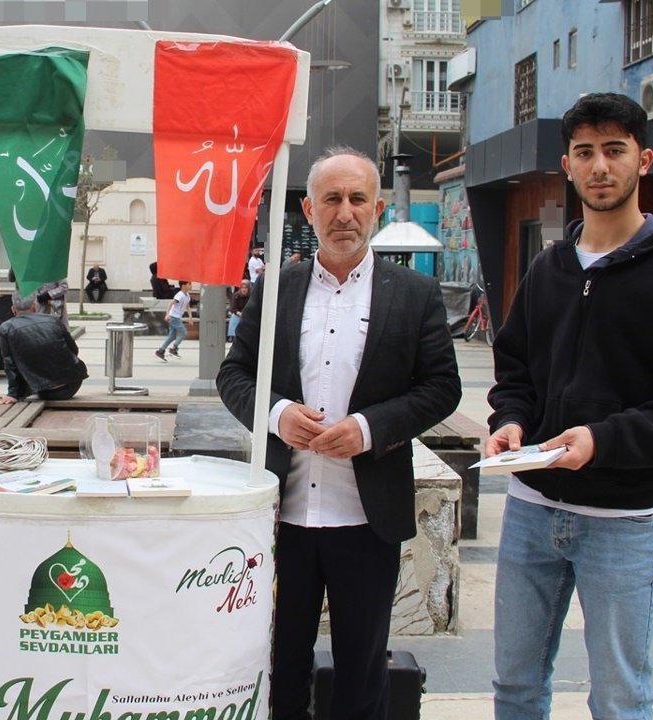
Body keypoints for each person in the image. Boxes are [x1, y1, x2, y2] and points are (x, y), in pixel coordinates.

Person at [487, 93, 653, 720]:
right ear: (566, 165)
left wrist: (602, 440)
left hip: (625, 520)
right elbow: (515, 369)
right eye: (585, 152)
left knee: (620, 699)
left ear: (643, 160)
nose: (600, 166)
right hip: (531, 509)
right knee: (514, 687)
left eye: (615, 150)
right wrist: (510, 421)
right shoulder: (548, 269)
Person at [217, 147, 460, 720]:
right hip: (283, 519)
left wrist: (371, 429)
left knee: (362, 674)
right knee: (279, 667)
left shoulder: (415, 294)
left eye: (357, 199)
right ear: (309, 209)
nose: (344, 212)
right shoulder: (276, 288)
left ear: (377, 208)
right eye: (331, 199)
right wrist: (277, 414)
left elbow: (442, 388)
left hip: (366, 521)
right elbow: (234, 374)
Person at [0, 290, 89, 405]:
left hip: (43, 389)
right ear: (34, 307)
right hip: (72, 383)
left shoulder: (6, 328)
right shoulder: (53, 320)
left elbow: (9, 364)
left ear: (13, 309)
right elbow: (74, 350)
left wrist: (12, 394)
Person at [154, 280, 193, 361]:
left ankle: (161, 351)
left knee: (172, 336)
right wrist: (167, 314)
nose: (191, 286)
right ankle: (174, 348)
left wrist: (190, 317)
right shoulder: (180, 295)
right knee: (183, 332)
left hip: (176, 317)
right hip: (173, 317)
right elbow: (171, 303)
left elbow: (188, 307)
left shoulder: (187, 295)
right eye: (189, 284)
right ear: (184, 286)